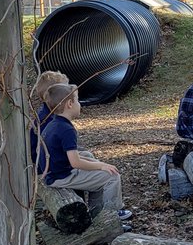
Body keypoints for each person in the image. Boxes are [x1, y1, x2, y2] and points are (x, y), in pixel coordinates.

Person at [37, 84, 132, 223]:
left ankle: (96, 209)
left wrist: (100, 163)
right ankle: (112, 216)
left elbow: (70, 156)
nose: (79, 104)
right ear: (70, 104)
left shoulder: (54, 123)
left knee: (87, 156)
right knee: (112, 176)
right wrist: (101, 167)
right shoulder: (66, 130)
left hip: (53, 172)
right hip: (61, 177)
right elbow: (75, 162)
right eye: (77, 100)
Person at [29, 70, 68, 162]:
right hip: (47, 162)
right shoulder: (46, 120)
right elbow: (51, 148)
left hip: (55, 155)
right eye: (65, 92)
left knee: (86, 154)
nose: (69, 94)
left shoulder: (52, 113)